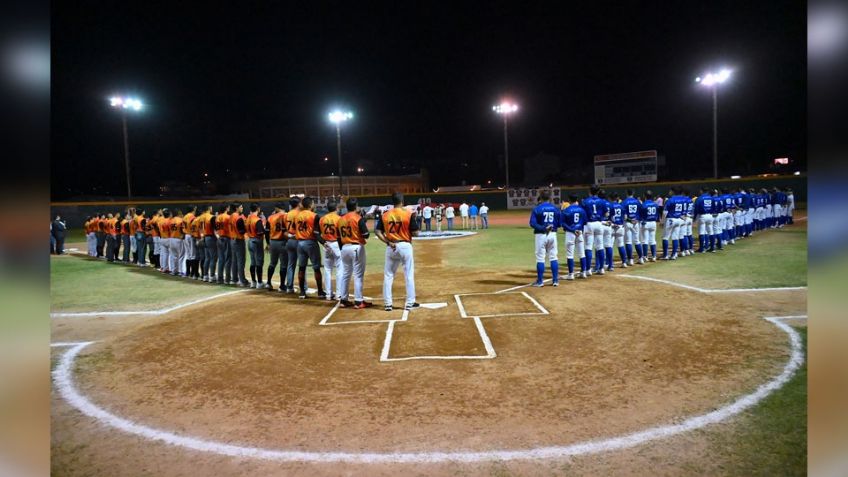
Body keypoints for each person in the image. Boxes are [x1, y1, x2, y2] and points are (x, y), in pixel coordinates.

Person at [375, 192, 420, 311]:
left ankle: (387, 304)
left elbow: (377, 231)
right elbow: (416, 233)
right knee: (408, 274)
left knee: (388, 275)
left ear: (393, 202)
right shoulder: (408, 214)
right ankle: (410, 302)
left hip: (391, 246)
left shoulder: (385, 215)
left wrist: (387, 242)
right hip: (405, 245)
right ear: (402, 201)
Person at [338, 197, 372, 308]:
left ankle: (343, 300)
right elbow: (366, 235)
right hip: (356, 247)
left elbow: (338, 237)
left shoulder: (341, 219)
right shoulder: (358, 218)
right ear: (356, 206)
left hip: (344, 248)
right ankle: (358, 301)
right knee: (358, 275)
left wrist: (342, 248)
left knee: (346, 274)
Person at [294, 196, 325, 299]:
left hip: (300, 243)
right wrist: (323, 242)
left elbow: (295, 229)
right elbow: (317, 233)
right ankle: (320, 292)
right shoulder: (315, 216)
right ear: (311, 205)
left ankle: (302, 292)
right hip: (311, 243)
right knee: (316, 267)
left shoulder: (297, 216)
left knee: (301, 268)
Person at [529, 189, 560, 286]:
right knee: (553, 257)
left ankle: (540, 281)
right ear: (550, 197)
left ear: (540, 197)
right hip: (553, 234)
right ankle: (555, 280)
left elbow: (532, 223)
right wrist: (552, 226)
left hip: (541, 235)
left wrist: (543, 228)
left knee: (540, 258)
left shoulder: (537, 209)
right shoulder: (555, 208)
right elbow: (559, 223)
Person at [319, 199, 342, 300]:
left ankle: (328, 294)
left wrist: (324, 242)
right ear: (336, 208)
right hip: (336, 244)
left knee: (327, 270)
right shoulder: (339, 219)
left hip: (327, 244)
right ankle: (339, 294)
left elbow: (319, 233)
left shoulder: (322, 219)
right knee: (340, 269)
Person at [582, 185, 608, 275]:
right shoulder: (602, 201)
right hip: (599, 223)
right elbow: (606, 213)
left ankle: (588, 270)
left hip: (589, 224)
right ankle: (601, 268)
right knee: (600, 246)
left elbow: (582, 213)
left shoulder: (585, 201)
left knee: (588, 246)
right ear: (598, 191)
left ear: (590, 191)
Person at [561, 194, 587, 280]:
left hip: (570, 233)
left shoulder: (566, 210)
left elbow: (563, 223)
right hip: (580, 232)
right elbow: (585, 222)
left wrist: (572, 230)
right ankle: (583, 272)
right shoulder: (582, 210)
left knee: (570, 255)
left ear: (569, 200)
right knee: (582, 253)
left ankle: (571, 274)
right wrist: (580, 230)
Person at [265, 203, 288, 291]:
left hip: (272, 242)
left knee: (272, 263)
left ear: (277, 208)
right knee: (283, 265)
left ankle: (268, 283)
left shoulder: (270, 217)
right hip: (282, 242)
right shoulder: (286, 216)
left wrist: (267, 243)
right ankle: (282, 285)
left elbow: (266, 232)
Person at [245, 203, 269, 288]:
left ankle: (253, 282)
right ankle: (259, 282)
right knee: (259, 262)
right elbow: (260, 232)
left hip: (250, 241)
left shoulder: (247, 218)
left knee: (253, 262)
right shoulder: (257, 220)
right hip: (257, 241)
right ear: (258, 209)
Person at [284, 197, 302, 293]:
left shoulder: (287, 214)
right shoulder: (299, 214)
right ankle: (304, 288)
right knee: (302, 265)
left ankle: (289, 287)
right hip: (298, 240)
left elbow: (285, 229)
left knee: (290, 264)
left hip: (289, 240)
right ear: (298, 204)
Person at [229, 203, 250, 287]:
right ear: (237, 208)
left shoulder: (231, 216)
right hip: (238, 240)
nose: (242, 208)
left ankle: (234, 279)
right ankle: (242, 280)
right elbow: (242, 231)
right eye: (241, 207)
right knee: (241, 261)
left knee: (234, 261)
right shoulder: (238, 217)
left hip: (232, 240)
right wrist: (247, 227)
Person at [621, 190, 643, 265]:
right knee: (637, 241)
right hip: (636, 222)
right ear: (633, 193)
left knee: (628, 241)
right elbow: (641, 211)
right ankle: (641, 258)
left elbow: (623, 214)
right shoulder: (637, 201)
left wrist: (629, 220)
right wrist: (637, 219)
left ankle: (630, 260)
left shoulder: (624, 202)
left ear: (627, 194)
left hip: (628, 222)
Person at [694, 187, 717, 253]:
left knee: (701, 232)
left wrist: (695, 217)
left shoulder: (699, 198)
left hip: (702, 216)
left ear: (702, 191)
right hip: (710, 215)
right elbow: (713, 207)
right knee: (711, 231)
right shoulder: (711, 198)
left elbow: (696, 209)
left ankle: (702, 249)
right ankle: (712, 248)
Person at [608, 193, 627, 269]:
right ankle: (624, 262)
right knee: (621, 245)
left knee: (609, 246)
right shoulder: (621, 206)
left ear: (610, 198)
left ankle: (610, 265)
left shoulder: (609, 205)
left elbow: (607, 216)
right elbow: (625, 217)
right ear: (617, 198)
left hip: (612, 227)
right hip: (620, 227)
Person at [215, 204, 232, 284]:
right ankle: (227, 279)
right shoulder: (228, 217)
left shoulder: (217, 217)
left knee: (221, 259)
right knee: (228, 259)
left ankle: (220, 278)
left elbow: (216, 229)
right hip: (226, 238)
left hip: (219, 238)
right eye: (228, 207)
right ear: (226, 208)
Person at [640, 191, 660, 261]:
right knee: (652, 240)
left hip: (646, 223)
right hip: (653, 223)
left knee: (645, 240)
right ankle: (654, 256)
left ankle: (645, 256)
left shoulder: (643, 204)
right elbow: (658, 215)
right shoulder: (655, 204)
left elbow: (641, 215)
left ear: (645, 196)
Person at [168, 209, 186, 276]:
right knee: (181, 256)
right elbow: (183, 230)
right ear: (179, 213)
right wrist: (183, 235)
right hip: (179, 239)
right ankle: (181, 271)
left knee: (173, 256)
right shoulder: (181, 220)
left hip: (171, 239)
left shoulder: (170, 220)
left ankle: (173, 270)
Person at [183, 206, 199, 278]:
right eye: (195, 209)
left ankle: (187, 272)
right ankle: (193, 273)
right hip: (191, 236)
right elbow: (193, 227)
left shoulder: (184, 217)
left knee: (188, 254)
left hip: (186, 235)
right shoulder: (192, 217)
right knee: (193, 255)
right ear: (193, 209)